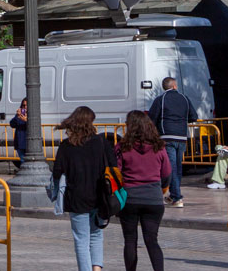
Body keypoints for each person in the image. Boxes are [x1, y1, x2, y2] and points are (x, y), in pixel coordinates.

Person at [52, 105, 117, 271]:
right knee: (96, 234)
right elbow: (113, 165)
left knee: (81, 239)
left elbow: (57, 171)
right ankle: (97, 269)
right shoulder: (102, 142)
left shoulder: (66, 146)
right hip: (100, 195)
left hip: (77, 197)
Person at [116, 109, 171, 271]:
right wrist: (161, 189)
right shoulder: (158, 147)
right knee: (152, 240)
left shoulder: (122, 147)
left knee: (130, 240)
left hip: (130, 198)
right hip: (153, 199)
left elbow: (116, 173)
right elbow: (167, 173)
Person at [148, 76, 194, 207]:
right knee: (178, 167)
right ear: (174, 86)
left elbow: (152, 118)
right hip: (182, 137)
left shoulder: (160, 100)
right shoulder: (184, 98)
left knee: (171, 167)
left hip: (167, 137)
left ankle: (177, 197)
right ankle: (175, 195)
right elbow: (193, 116)